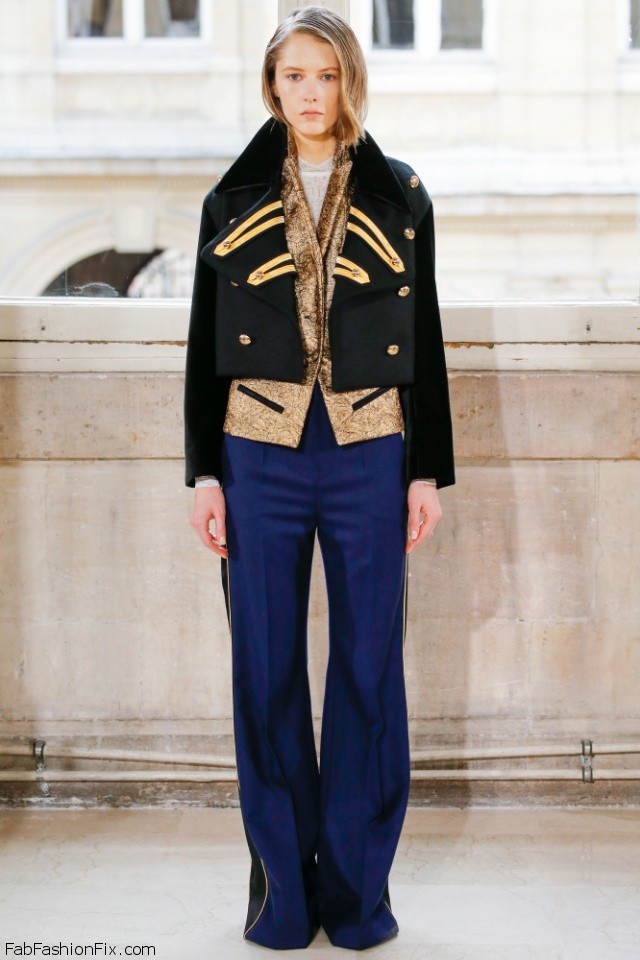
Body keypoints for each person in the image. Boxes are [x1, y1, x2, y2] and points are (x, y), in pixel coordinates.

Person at [184, 5, 455, 950]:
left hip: (370, 452)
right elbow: (202, 347)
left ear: (349, 82)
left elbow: (425, 340)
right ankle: (282, 900)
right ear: (272, 84)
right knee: (264, 673)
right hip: (254, 455)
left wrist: (424, 474)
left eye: (326, 74)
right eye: (294, 74)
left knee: (368, 673)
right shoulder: (230, 197)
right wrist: (203, 475)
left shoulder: (402, 193)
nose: (310, 92)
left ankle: (356, 896)